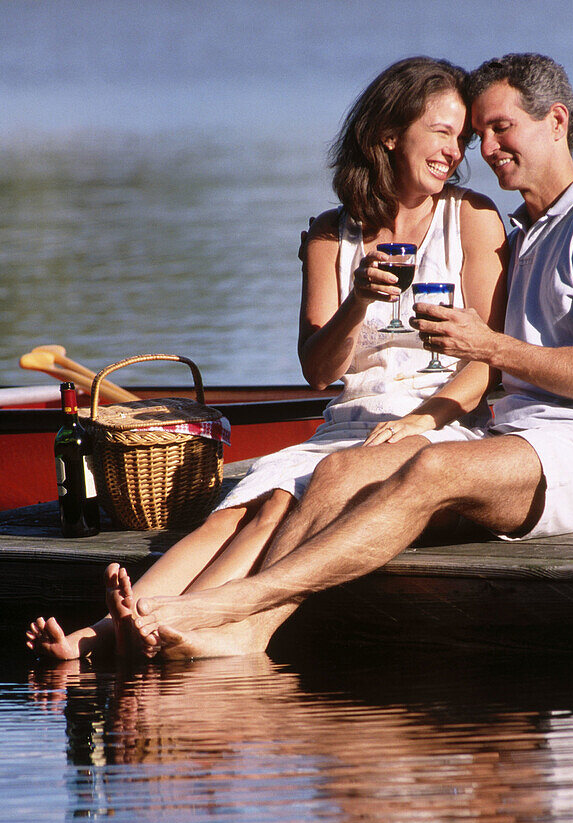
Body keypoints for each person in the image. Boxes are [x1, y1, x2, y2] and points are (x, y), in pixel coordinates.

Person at [116, 50, 573, 662]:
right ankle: (247, 632)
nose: (485, 150)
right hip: (522, 441)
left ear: (556, 121)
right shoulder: (532, 231)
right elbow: (325, 364)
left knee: (429, 468)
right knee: (334, 475)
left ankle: (229, 607)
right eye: (477, 133)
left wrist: (486, 349)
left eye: (500, 128)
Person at [26, 55, 507, 662]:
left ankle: (169, 625)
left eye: (461, 138)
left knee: (283, 503)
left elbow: (488, 361)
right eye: (442, 132)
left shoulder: (472, 219)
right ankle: (108, 629)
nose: (456, 152)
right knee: (248, 508)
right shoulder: (333, 234)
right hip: (350, 424)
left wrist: (424, 419)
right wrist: (357, 300)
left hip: (441, 423)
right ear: (388, 132)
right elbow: (320, 370)